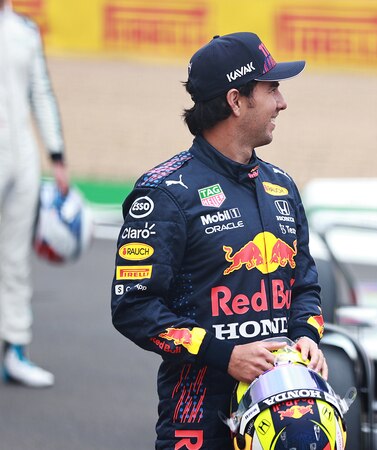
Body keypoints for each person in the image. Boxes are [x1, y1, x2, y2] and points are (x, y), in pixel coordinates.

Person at [110, 32, 327, 449]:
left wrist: (307, 336)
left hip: (287, 411)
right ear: (236, 100)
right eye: (272, 88)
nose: (282, 101)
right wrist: (223, 355)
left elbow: (305, 285)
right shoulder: (164, 192)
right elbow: (133, 307)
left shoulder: (281, 185)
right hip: (198, 420)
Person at [0, 0, 68, 388]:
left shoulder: (25, 30)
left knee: (14, 259)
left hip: (22, 157)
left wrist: (56, 155)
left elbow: (41, 92)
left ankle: (15, 350)